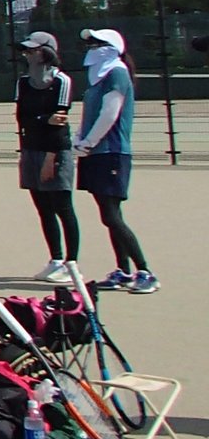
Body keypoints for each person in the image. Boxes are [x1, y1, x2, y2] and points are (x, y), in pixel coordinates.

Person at [75, 28, 155, 293]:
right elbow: (90, 114)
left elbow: (110, 114)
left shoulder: (117, 73)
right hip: (96, 153)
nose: (91, 48)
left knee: (111, 215)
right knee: (109, 216)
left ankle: (145, 272)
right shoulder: (98, 79)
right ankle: (123, 270)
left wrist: (89, 142)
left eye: (96, 44)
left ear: (110, 47)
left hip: (112, 152)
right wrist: (80, 138)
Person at [14, 32, 79, 284]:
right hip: (31, 149)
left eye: (33, 50)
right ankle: (55, 259)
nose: (28, 55)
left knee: (63, 207)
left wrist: (51, 157)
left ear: (47, 52)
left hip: (56, 150)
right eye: (27, 51)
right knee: (43, 209)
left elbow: (59, 121)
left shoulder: (62, 82)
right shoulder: (22, 83)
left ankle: (71, 264)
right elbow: (23, 119)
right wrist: (43, 120)